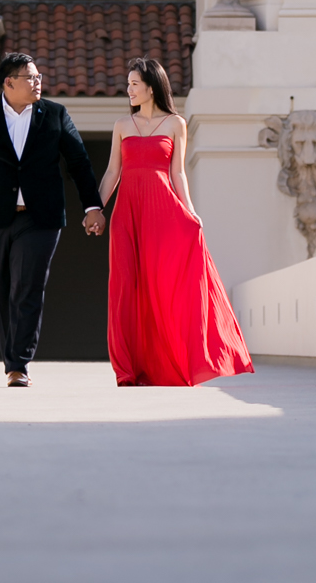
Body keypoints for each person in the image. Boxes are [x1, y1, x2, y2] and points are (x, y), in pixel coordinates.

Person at [0, 50, 105, 386]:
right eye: (30, 78)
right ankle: (12, 359)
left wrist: (93, 205)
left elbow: (79, 163)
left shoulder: (55, 114)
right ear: (9, 82)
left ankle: (18, 365)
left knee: (28, 287)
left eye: (38, 77)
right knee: (0, 288)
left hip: (41, 218)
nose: (38, 83)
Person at [100, 55, 253, 387]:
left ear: (151, 88)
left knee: (162, 285)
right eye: (128, 84)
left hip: (163, 212)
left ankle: (169, 361)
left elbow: (178, 173)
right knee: (126, 287)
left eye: (134, 84)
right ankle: (127, 369)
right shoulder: (122, 126)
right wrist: (96, 208)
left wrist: (191, 210)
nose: (129, 89)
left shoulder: (175, 124)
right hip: (126, 213)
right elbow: (113, 172)